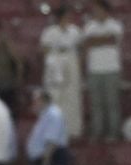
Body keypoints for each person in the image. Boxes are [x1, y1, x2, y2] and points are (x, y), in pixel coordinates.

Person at [40, 5, 83, 140]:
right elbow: (44, 50)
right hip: (55, 62)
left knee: (72, 97)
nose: (68, 18)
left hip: (71, 61)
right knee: (55, 96)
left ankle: (73, 130)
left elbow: (80, 49)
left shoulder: (75, 31)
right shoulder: (49, 32)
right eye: (65, 16)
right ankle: (53, 131)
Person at [82, 2, 123, 141]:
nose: (96, 12)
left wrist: (96, 40)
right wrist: (103, 39)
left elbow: (112, 39)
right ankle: (97, 131)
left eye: (99, 9)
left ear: (105, 11)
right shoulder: (89, 26)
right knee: (96, 104)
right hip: (94, 70)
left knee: (112, 103)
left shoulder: (115, 25)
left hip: (111, 69)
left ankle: (114, 132)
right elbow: (87, 42)